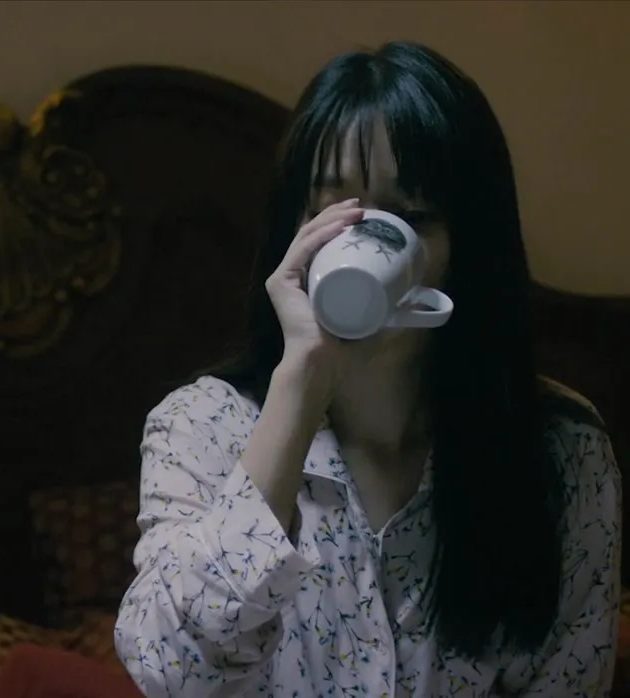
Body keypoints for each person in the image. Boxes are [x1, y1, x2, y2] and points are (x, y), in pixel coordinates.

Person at [114, 41, 621, 697]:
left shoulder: (561, 450)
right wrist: (300, 386)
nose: (359, 241)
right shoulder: (202, 427)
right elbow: (170, 669)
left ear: (468, 242)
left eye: (408, 218)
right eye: (332, 210)